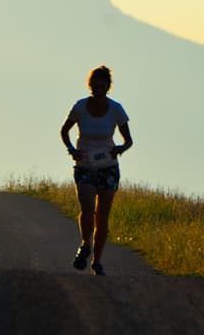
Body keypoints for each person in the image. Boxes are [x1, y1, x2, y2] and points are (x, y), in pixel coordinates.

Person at [60, 65, 133, 276]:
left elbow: (129, 140)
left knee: (102, 216)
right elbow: (64, 130)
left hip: (108, 168)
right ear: (89, 85)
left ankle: (97, 262)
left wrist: (120, 148)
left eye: (101, 85)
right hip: (84, 166)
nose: (97, 88)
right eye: (94, 85)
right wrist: (71, 149)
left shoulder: (116, 109)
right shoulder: (80, 107)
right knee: (87, 207)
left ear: (108, 87)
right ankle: (85, 243)